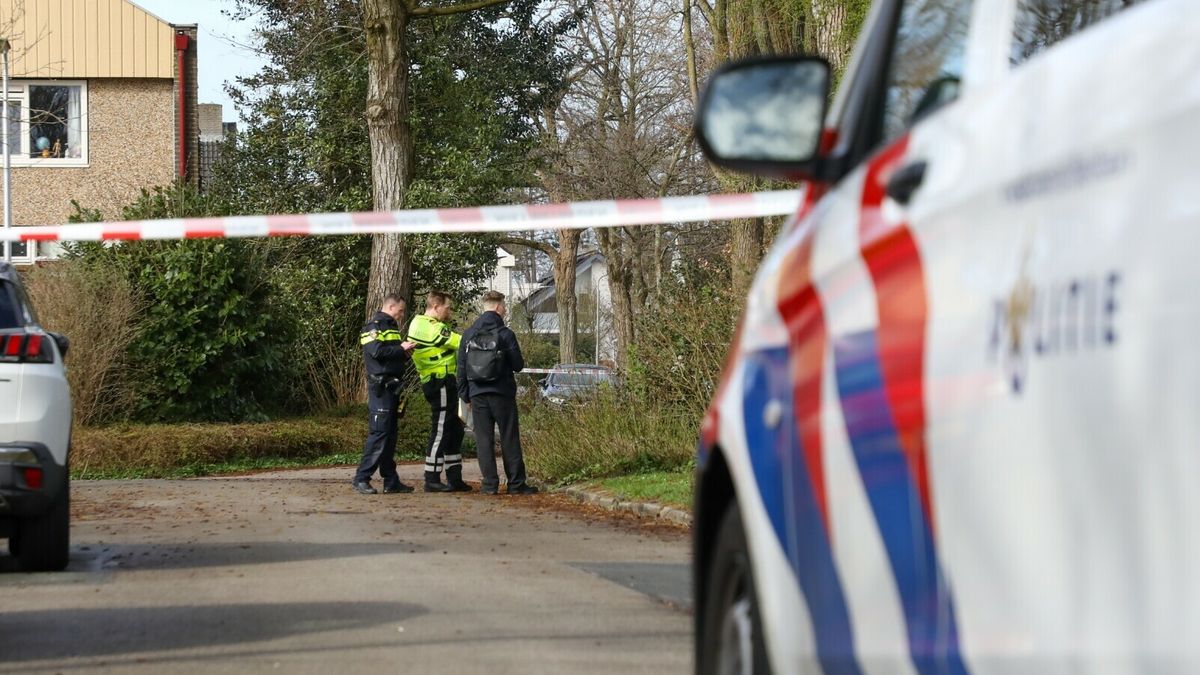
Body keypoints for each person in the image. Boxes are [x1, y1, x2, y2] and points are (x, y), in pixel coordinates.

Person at [458, 291, 538, 495]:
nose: (505, 309)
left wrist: (465, 395)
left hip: (477, 394)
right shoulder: (505, 334)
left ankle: (489, 485)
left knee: (483, 440)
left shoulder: (468, 335)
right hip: (502, 393)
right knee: (509, 437)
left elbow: (461, 367)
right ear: (498, 307)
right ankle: (516, 484)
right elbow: (518, 365)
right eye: (504, 306)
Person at [407, 291, 472, 493]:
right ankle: (431, 478)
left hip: (446, 382)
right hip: (440, 382)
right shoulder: (428, 326)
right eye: (447, 307)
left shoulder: (425, 324)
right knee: (441, 429)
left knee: (454, 429)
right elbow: (461, 342)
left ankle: (454, 477)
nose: (449, 311)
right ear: (436, 306)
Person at [353, 294, 417, 495]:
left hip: (392, 387)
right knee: (379, 433)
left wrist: (404, 355)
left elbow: (389, 357)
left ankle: (391, 480)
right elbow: (376, 353)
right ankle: (361, 478)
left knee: (389, 435)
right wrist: (400, 348)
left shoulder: (390, 327)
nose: (401, 314)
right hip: (381, 388)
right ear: (390, 306)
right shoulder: (374, 326)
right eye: (400, 310)